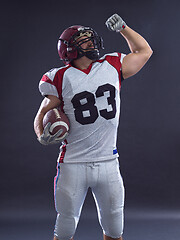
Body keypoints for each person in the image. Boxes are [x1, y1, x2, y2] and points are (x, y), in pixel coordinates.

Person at [34, 13, 152, 240]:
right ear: (68, 49)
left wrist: (124, 28)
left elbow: (144, 51)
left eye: (90, 38)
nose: (90, 42)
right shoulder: (59, 77)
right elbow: (42, 113)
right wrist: (41, 135)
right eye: (83, 40)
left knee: (115, 229)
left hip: (108, 161)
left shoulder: (112, 65)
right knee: (65, 227)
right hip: (72, 164)